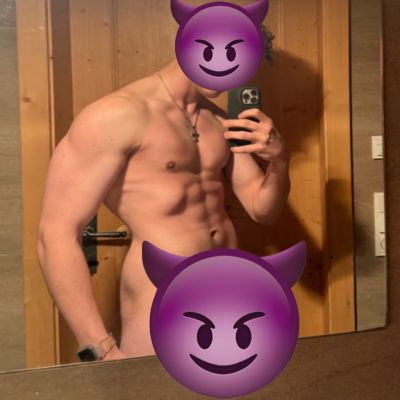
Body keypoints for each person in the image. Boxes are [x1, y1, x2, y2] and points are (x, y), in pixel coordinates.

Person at [36, 58, 290, 361]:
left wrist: (280, 160)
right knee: (158, 385)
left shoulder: (220, 121)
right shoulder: (116, 115)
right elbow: (56, 234)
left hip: (229, 288)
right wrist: (100, 348)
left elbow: (263, 210)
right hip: (162, 291)